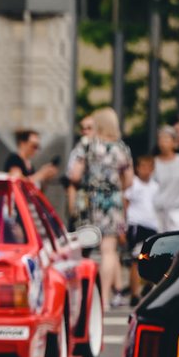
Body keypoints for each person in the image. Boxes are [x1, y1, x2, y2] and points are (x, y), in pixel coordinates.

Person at [66, 107, 132, 307]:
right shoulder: (122, 148)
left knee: (84, 248)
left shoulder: (87, 145)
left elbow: (74, 175)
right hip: (112, 201)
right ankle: (103, 298)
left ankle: (80, 295)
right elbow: (129, 180)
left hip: (90, 200)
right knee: (109, 251)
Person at [124, 156, 160, 304]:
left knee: (152, 258)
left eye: (149, 167)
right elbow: (125, 202)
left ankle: (148, 284)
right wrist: (124, 224)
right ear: (137, 168)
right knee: (136, 259)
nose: (145, 171)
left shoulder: (155, 186)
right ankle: (134, 294)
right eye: (142, 167)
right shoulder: (134, 185)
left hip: (153, 226)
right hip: (137, 225)